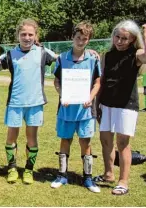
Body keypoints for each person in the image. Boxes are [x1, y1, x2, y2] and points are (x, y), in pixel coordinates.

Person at [94, 21, 146, 195]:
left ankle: (123, 181)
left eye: (124, 38)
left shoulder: (136, 54)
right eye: (117, 37)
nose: (119, 41)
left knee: (123, 144)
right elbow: (101, 81)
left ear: (132, 39)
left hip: (126, 106)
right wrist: (97, 103)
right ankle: (108, 174)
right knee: (105, 141)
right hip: (106, 103)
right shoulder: (108, 55)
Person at [0, 18, 57, 184]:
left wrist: (89, 53)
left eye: (30, 34)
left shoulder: (43, 52)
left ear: (36, 36)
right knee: (12, 136)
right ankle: (11, 168)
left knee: (32, 137)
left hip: (35, 103)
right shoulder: (10, 54)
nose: (26, 37)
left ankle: (28, 170)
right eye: (23, 34)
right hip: (15, 103)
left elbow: (63, 58)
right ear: (18, 35)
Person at [50, 21, 101, 193]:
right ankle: (62, 175)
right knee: (65, 140)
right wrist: (62, 94)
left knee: (85, 141)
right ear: (73, 37)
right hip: (66, 109)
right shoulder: (62, 58)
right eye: (78, 37)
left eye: (84, 39)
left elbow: (97, 82)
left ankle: (88, 178)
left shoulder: (93, 59)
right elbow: (56, 81)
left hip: (85, 110)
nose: (80, 41)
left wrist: (91, 97)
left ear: (88, 40)